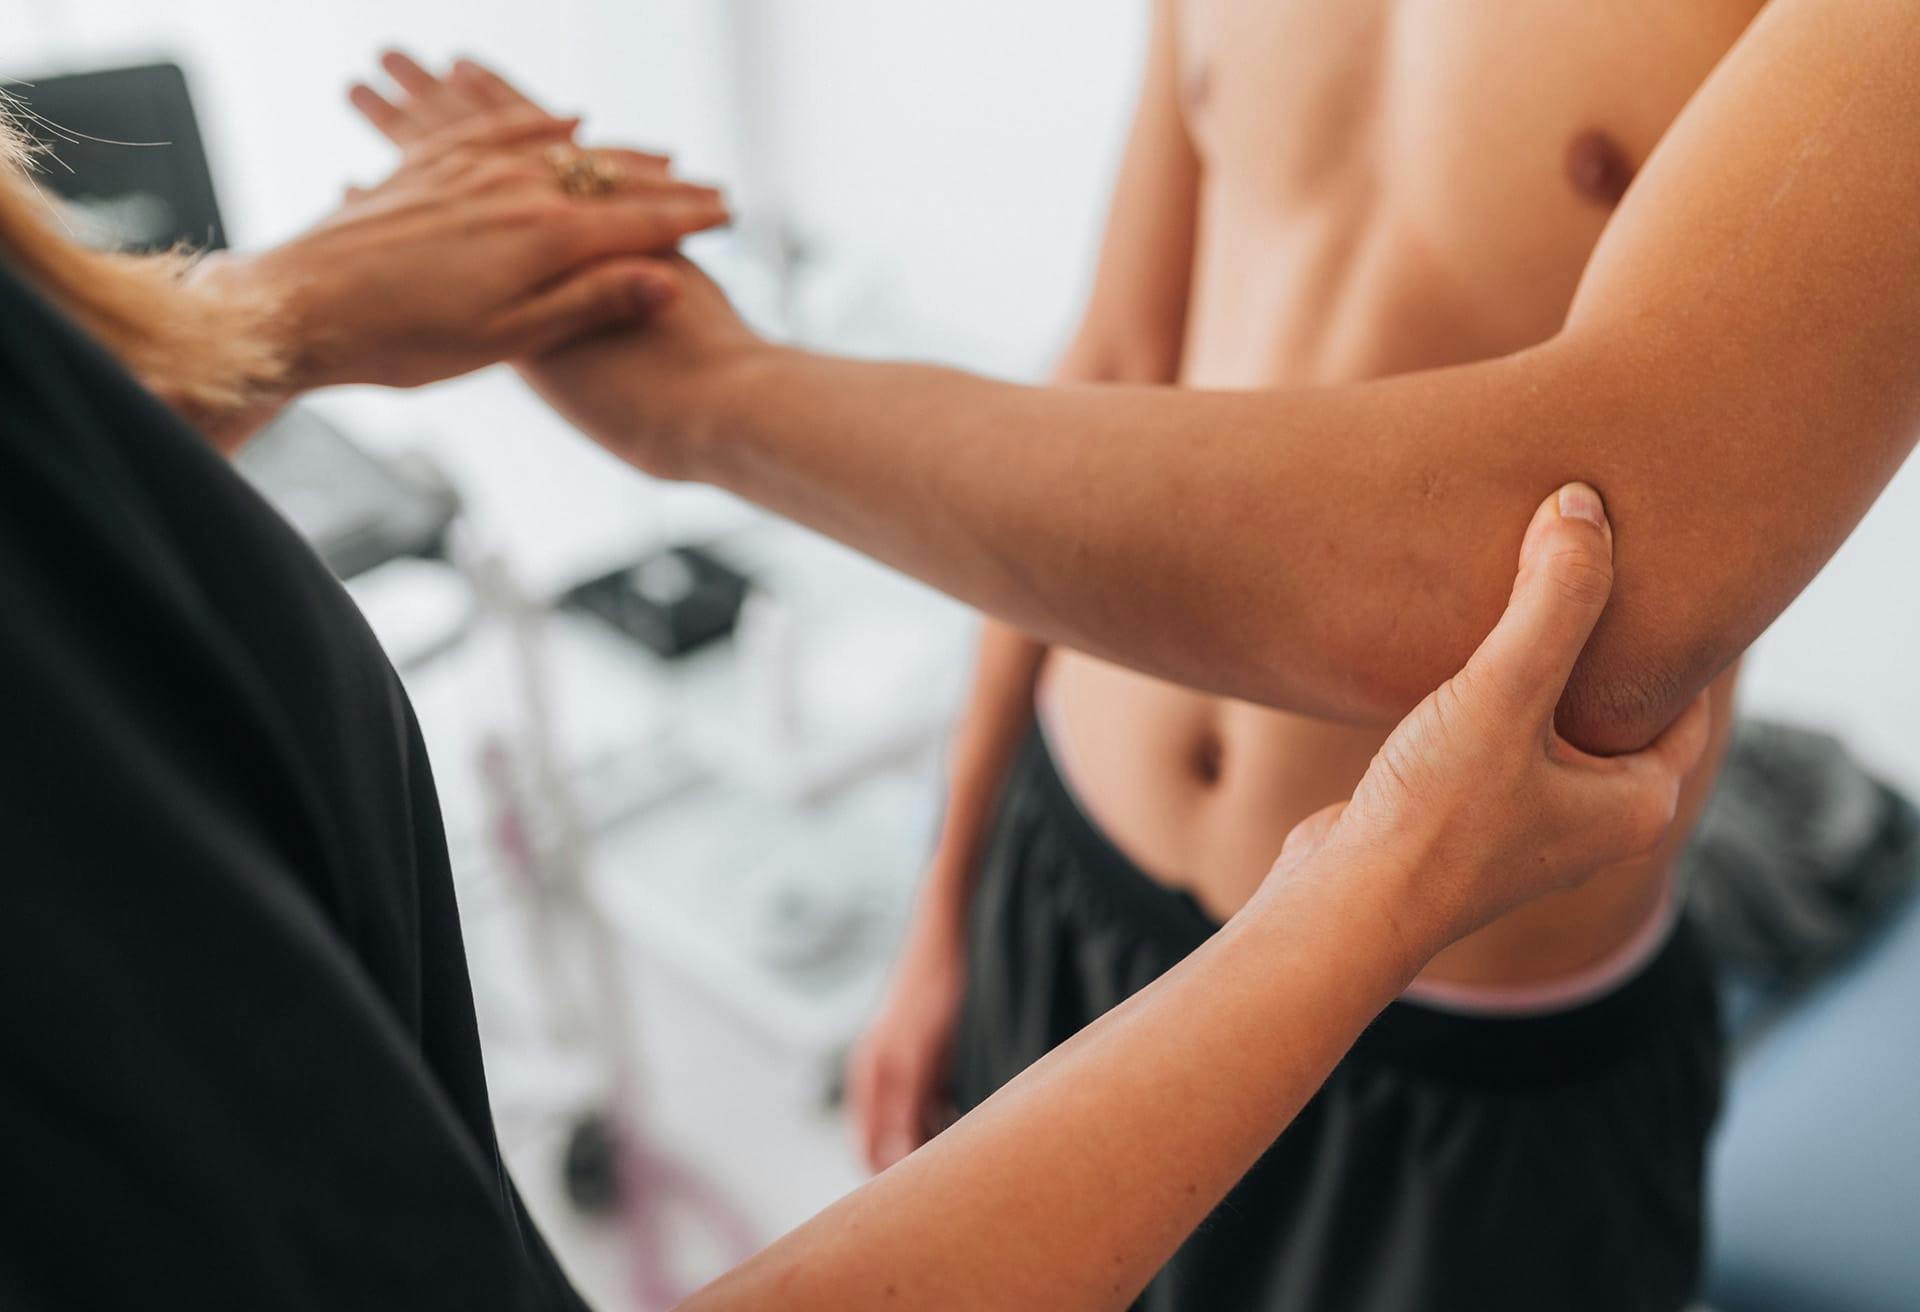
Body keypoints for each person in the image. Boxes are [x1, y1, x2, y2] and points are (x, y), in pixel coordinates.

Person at [0, 96, 1702, 1311]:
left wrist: (256, 320)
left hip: (1463, 1004)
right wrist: (714, 406)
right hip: (1163, 882)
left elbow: (1589, 539)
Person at [352, 9, 1920, 1307]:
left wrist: (719, 400)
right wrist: (947, 899)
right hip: (1076, 867)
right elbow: (1113, 361)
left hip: (1451, 1029)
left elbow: (1603, 579)